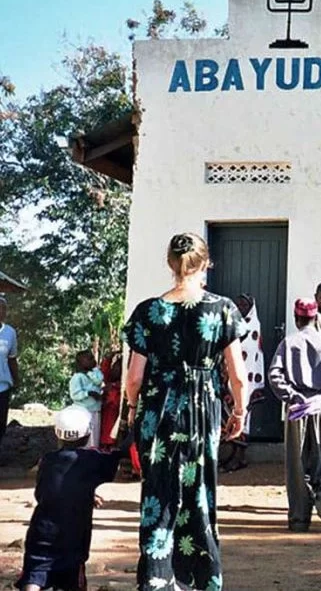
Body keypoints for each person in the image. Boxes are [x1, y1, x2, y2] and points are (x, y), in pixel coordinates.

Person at [123, 232, 248, 591]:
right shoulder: (222, 309)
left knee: (158, 493)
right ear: (205, 263)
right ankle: (201, 579)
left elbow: (134, 377)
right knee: (198, 493)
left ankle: (156, 580)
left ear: (170, 264)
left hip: (157, 411)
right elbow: (238, 376)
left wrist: (134, 409)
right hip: (201, 411)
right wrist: (238, 412)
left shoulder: (148, 311)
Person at [16, 405, 132, 591]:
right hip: (74, 536)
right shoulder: (93, 460)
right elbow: (121, 452)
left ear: (57, 433)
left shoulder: (47, 460)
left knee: (36, 570)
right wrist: (133, 424)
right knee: (71, 578)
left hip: (41, 532)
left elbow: (45, 491)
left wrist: (84, 493)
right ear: (88, 434)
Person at [268, 298, 321, 532]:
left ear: (296, 318)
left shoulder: (289, 342)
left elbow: (275, 375)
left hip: (296, 406)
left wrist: (291, 395)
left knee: (297, 462)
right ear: (314, 318)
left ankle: (300, 518)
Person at [220, 294, 265, 472]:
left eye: (245, 304)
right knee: (232, 414)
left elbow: (247, 350)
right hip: (234, 376)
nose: (241, 307)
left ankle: (240, 457)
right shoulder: (235, 323)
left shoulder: (253, 326)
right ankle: (232, 453)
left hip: (248, 378)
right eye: (238, 304)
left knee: (243, 417)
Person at [68, 351, 103, 449]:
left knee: (95, 436)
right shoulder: (77, 377)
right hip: (83, 411)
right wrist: (89, 393)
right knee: (84, 436)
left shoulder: (95, 372)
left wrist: (89, 373)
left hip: (95, 410)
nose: (93, 360)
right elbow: (74, 395)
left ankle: (93, 455)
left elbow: (99, 380)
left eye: (93, 358)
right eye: (90, 359)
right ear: (81, 363)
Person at [0, 296, 19, 452]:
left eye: (3, 308)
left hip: (3, 385)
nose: (0, 311)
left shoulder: (10, 332)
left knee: (1, 424)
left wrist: (16, 379)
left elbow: (12, 358)